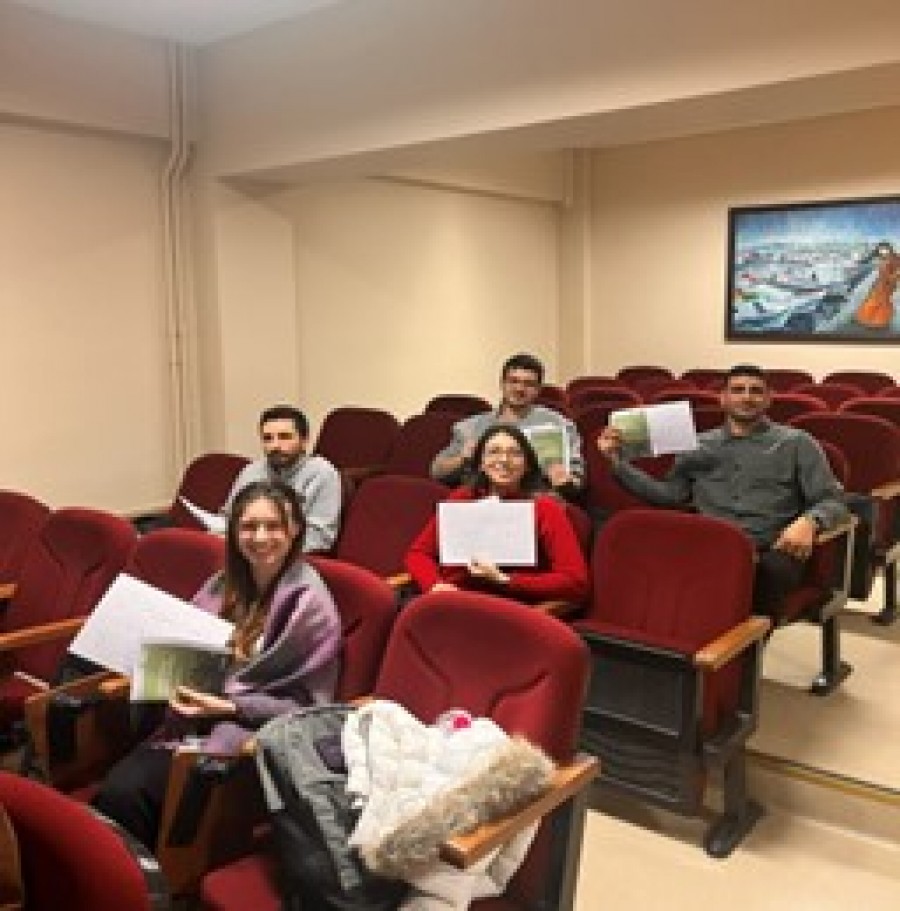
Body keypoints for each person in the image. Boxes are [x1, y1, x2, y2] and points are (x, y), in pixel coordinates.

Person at [92, 480, 342, 850]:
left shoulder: (309, 605)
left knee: (124, 794)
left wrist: (230, 706)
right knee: (117, 792)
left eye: (273, 526)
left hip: (247, 733)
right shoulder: (224, 583)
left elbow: (307, 707)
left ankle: (145, 874)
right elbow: (187, 645)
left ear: (295, 530)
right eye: (249, 526)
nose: (260, 537)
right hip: (194, 714)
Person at [596, 364, 849, 618]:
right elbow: (671, 497)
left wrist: (810, 521)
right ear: (723, 398)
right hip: (711, 543)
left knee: (768, 572)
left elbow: (834, 500)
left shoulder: (797, 443)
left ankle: (745, 640)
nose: (747, 397)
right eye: (738, 390)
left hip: (771, 548)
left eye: (756, 391)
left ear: (768, 399)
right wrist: (617, 463)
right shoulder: (698, 445)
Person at [408, 425, 589, 603]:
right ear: (481, 464)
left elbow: (575, 582)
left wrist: (506, 580)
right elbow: (418, 554)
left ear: (527, 465)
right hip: (451, 600)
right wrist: (434, 585)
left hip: (509, 608)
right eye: (493, 452)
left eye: (515, 453)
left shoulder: (544, 508)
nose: (503, 460)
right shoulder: (462, 498)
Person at [431, 353, 584, 498]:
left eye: (528, 384)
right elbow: (437, 472)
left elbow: (577, 481)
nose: (519, 389)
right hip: (481, 501)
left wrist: (565, 482)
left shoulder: (559, 426)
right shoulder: (470, 427)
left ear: (538, 389)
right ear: (502, 384)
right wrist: (463, 458)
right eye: (513, 381)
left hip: (537, 500)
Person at [224, 405, 342, 553]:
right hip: (245, 552)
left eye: (284, 437)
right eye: (268, 438)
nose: (275, 446)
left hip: (294, 558)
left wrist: (266, 547)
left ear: (304, 440)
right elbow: (228, 519)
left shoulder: (323, 473)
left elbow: (320, 538)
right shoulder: (252, 471)